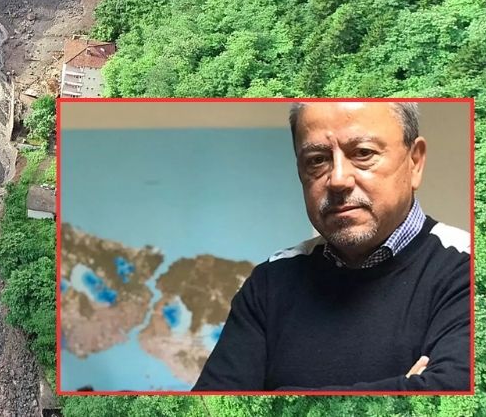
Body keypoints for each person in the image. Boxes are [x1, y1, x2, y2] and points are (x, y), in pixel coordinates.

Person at [193, 101, 471, 391]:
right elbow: (205, 408)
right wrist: (404, 393)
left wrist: (271, 399)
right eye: (317, 160)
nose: (338, 180)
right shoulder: (270, 282)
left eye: (363, 153)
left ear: (415, 162)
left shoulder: (470, 268)